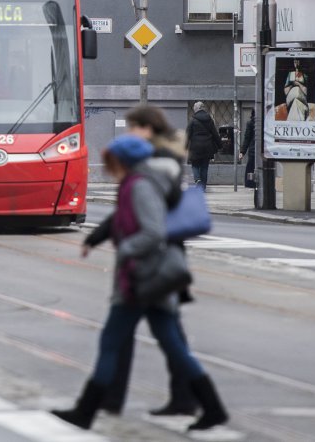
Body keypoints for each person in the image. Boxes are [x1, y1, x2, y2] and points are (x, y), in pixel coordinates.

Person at [51, 135, 228, 432]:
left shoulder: (141, 186)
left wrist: (126, 250)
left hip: (141, 280)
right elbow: (122, 220)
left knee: (111, 342)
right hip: (149, 280)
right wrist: (97, 239)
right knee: (173, 345)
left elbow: (154, 232)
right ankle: (212, 408)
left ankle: (85, 411)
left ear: (123, 160)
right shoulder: (140, 182)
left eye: (112, 161)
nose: (109, 167)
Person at [88, 105, 198, 417]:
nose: (128, 132)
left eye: (133, 127)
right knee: (156, 333)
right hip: (153, 257)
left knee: (155, 334)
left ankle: (183, 397)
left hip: (156, 259)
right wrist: (97, 236)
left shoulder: (159, 161)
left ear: (147, 128)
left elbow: (151, 209)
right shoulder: (158, 158)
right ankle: (175, 397)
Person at [185, 101, 222, 189]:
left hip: (195, 147)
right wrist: (220, 145)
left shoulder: (192, 120)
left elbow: (187, 135)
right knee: (205, 167)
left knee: (195, 165)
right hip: (207, 147)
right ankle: (203, 187)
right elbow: (215, 133)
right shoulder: (209, 120)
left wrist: (184, 148)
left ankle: (197, 180)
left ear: (195, 109)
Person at [240, 110, 256, 189]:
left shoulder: (250, 123)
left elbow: (247, 138)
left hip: (253, 151)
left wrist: (242, 152)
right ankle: (250, 183)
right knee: (251, 167)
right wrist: (242, 152)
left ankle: (250, 183)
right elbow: (247, 138)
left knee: (251, 167)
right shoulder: (251, 124)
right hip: (258, 150)